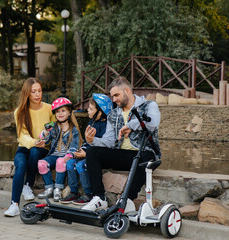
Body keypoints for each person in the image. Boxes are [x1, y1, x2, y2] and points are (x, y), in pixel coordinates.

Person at [83, 76, 161, 211]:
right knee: (92, 152)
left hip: (144, 153)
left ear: (127, 90)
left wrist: (131, 125)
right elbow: (109, 141)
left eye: (116, 95)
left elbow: (153, 123)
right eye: (112, 96)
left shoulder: (149, 105)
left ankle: (127, 200)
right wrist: (92, 141)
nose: (114, 99)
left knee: (145, 158)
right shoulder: (113, 114)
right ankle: (99, 198)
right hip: (123, 155)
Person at [4, 78, 55, 217]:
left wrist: (45, 138)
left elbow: (55, 127)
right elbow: (21, 135)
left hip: (43, 147)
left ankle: (28, 184)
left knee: (34, 152)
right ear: (27, 93)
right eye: (34, 92)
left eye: (39, 91)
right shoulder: (19, 112)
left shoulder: (49, 108)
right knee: (20, 164)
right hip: (25, 146)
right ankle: (14, 205)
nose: (38, 94)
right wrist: (33, 141)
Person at [59, 93, 113, 205]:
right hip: (86, 152)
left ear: (100, 112)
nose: (87, 110)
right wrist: (78, 152)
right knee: (70, 163)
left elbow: (104, 145)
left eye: (91, 108)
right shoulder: (91, 122)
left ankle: (89, 194)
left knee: (80, 165)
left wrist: (86, 154)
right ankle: (74, 192)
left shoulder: (106, 125)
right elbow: (86, 142)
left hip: (96, 156)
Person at [37, 97, 83, 202]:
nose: (60, 114)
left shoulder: (73, 130)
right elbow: (46, 140)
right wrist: (44, 134)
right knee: (41, 163)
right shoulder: (53, 126)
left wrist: (69, 155)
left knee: (60, 161)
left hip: (64, 157)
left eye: (63, 111)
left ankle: (58, 188)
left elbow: (75, 145)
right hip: (54, 154)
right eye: (57, 112)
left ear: (69, 112)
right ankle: (49, 188)